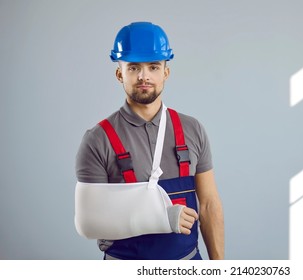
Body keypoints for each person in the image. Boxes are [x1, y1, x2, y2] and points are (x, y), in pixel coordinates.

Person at [75, 22, 224, 260]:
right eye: (133, 68)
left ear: (166, 72)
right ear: (119, 73)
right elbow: (89, 223)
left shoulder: (192, 130)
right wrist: (161, 218)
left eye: (153, 67)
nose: (144, 76)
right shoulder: (98, 139)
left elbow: (208, 204)